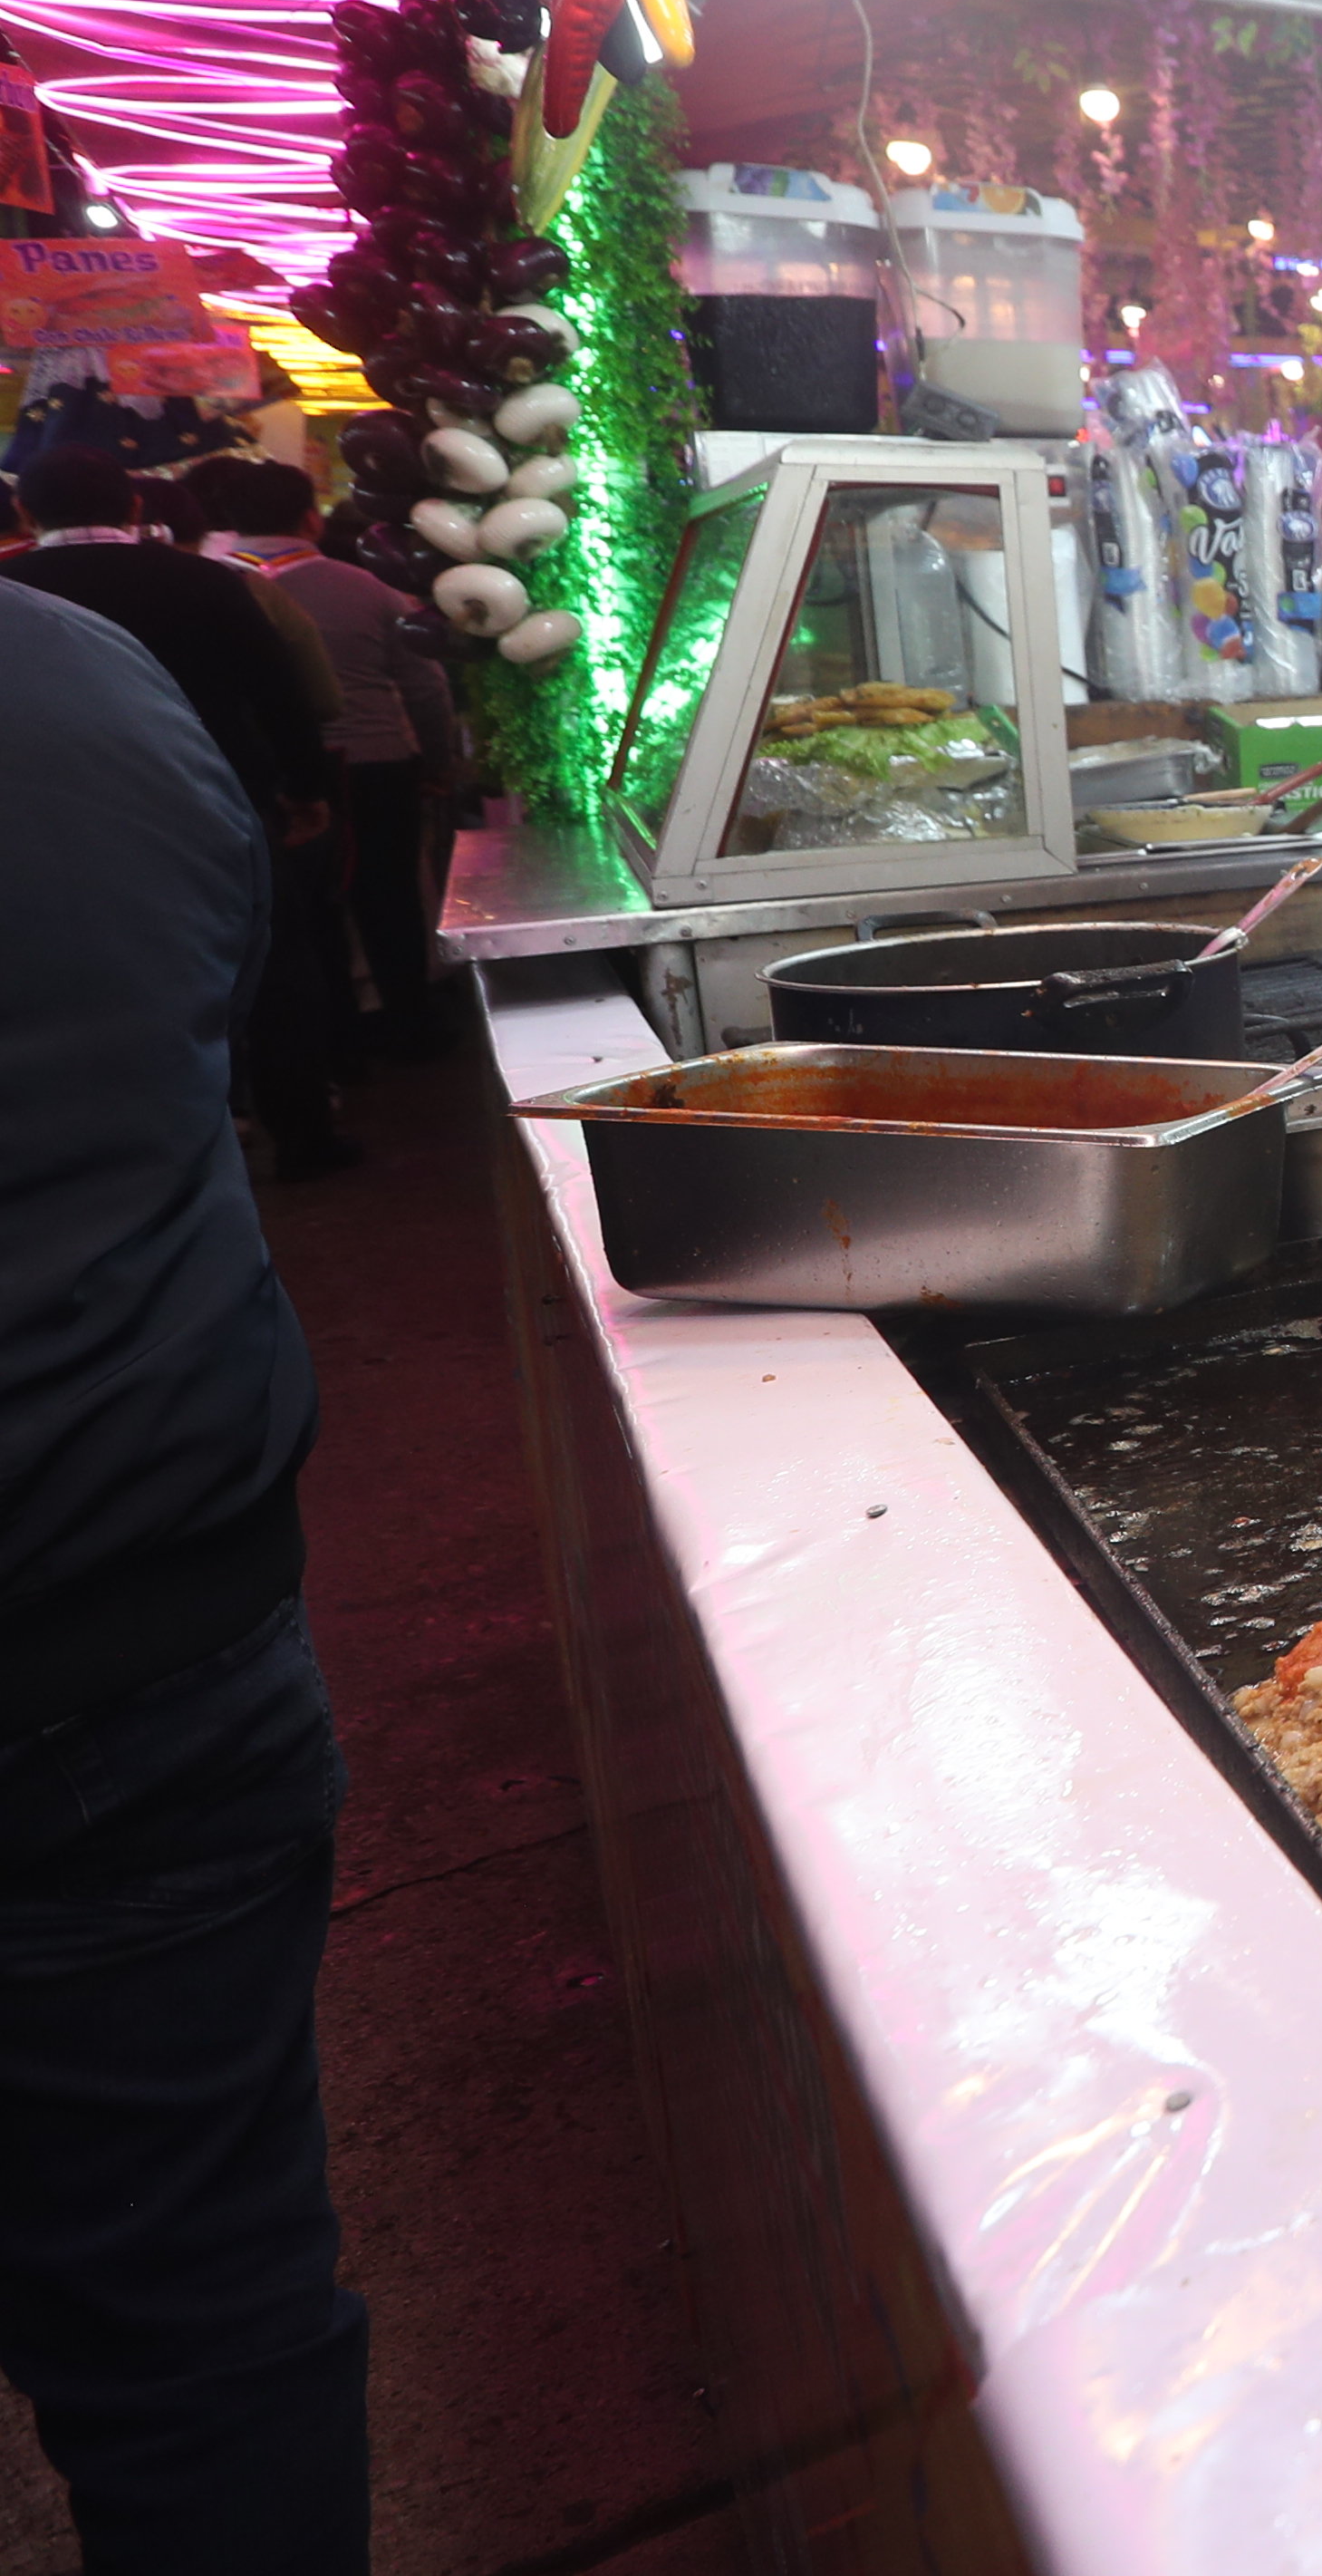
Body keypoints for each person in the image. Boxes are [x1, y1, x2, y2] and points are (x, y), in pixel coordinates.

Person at [0, 576, 370, 2566]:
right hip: (156, 1619)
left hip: (127, 1620)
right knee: (206, 2339)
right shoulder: (72, 674)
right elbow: (219, 996)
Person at [4, 450, 352, 1171]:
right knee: (274, 966)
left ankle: (148, 1145)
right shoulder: (207, 580)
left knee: (96, 978)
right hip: (219, 803)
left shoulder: (15, 594)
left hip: (52, 827)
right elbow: (281, 697)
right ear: (135, 508)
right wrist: (304, 789)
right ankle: (303, 1134)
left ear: (26, 513)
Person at [208, 459, 460, 1057]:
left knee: (299, 910)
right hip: (378, 763)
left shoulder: (209, 586)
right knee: (390, 897)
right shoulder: (368, 587)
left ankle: (335, 1045)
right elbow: (427, 687)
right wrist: (438, 762)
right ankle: (413, 1028)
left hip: (266, 774)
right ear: (310, 519)